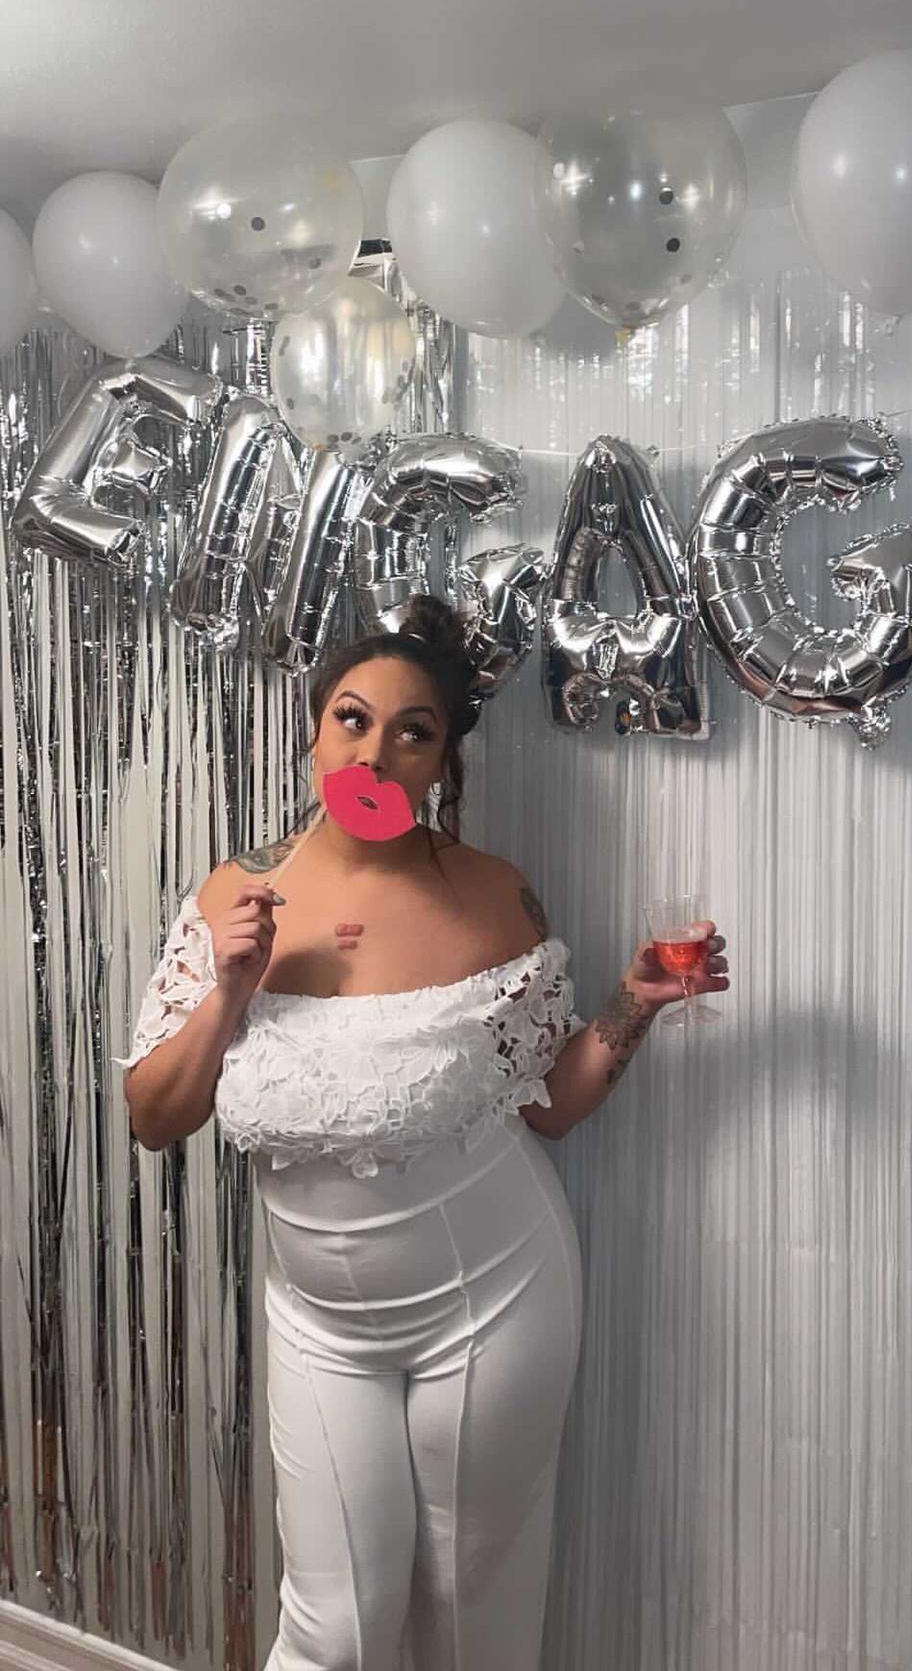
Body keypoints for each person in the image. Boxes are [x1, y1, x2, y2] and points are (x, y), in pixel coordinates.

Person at [122, 596, 728, 1671]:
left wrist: (633, 1003)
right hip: (317, 1325)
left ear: (443, 762)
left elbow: (549, 1104)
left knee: (471, 1611)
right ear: (315, 731)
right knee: (335, 1627)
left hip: (495, 1302)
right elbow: (154, 1117)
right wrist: (229, 990)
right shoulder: (234, 895)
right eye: (353, 719)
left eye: (414, 731)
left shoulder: (494, 896)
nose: (376, 752)